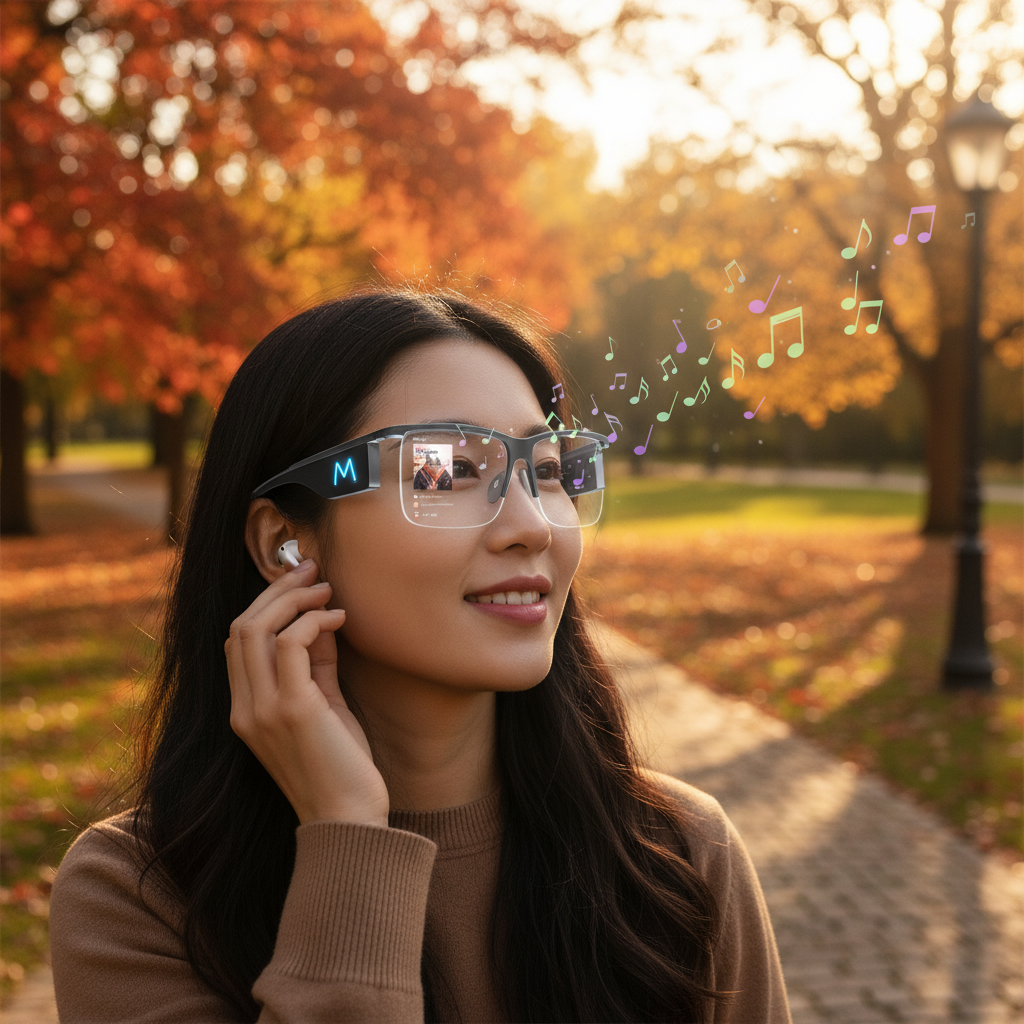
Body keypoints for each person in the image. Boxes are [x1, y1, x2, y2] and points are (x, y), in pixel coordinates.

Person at [49, 289, 792, 1023]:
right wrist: (346, 832)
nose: (531, 525)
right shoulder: (136, 900)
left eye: (545, 470)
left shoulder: (679, 858)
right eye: (448, 471)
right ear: (287, 540)